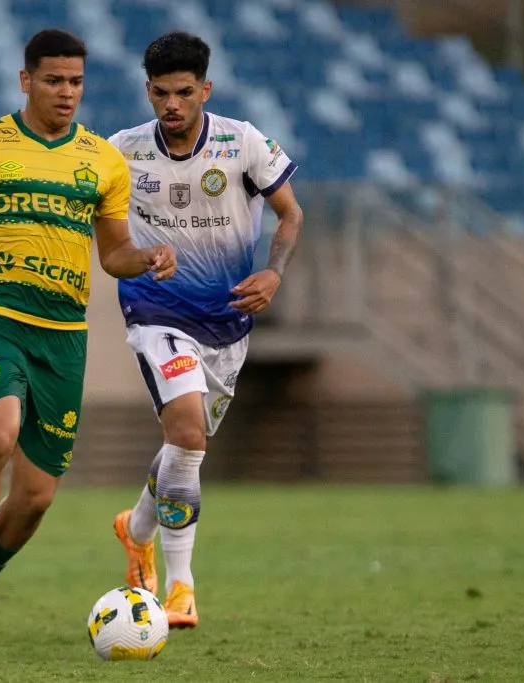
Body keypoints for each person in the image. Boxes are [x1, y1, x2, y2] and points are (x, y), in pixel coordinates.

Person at [0, 28, 177, 655]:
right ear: (26, 81)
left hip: (64, 335)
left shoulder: (102, 161)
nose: (66, 92)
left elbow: (113, 254)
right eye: (53, 80)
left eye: (76, 82)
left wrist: (147, 258)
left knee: (34, 498)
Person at [107, 31, 304, 629]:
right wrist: (142, 258)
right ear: (148, 90)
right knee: (189, 434)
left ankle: (136, 529)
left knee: (185, 447)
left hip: (227, 324)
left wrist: (274, 272)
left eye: (184, 93)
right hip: (157, 315)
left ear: (205, 90)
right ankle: (181, 590)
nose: (172, 104)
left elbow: (290, 213)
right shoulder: (121, 152)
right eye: (161, 93)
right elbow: (108, 243)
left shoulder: (242, 142)